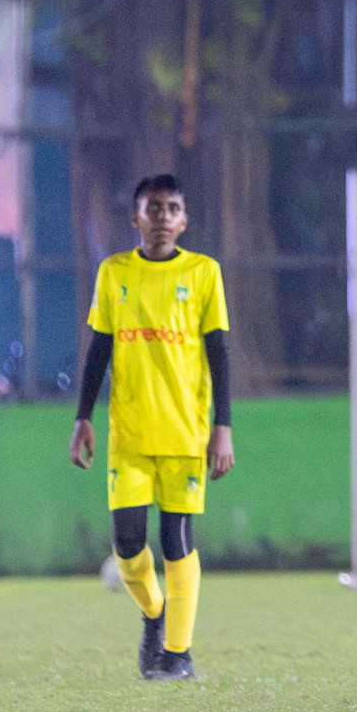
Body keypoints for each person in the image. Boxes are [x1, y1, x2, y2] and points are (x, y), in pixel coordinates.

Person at [69, 174, 233, 681]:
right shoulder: (113, 273)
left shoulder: (205, 273)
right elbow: (98, 348)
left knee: (178, 540)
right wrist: (82, 417)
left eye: (172, 208)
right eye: (152, 208)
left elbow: (219, 353)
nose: (162, 217)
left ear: (184, 221)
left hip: (186, 433)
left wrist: (222, 427)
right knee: (127, 548)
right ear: (135, 217)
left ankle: (177, 655)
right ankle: (155, 615)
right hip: (129, 436)